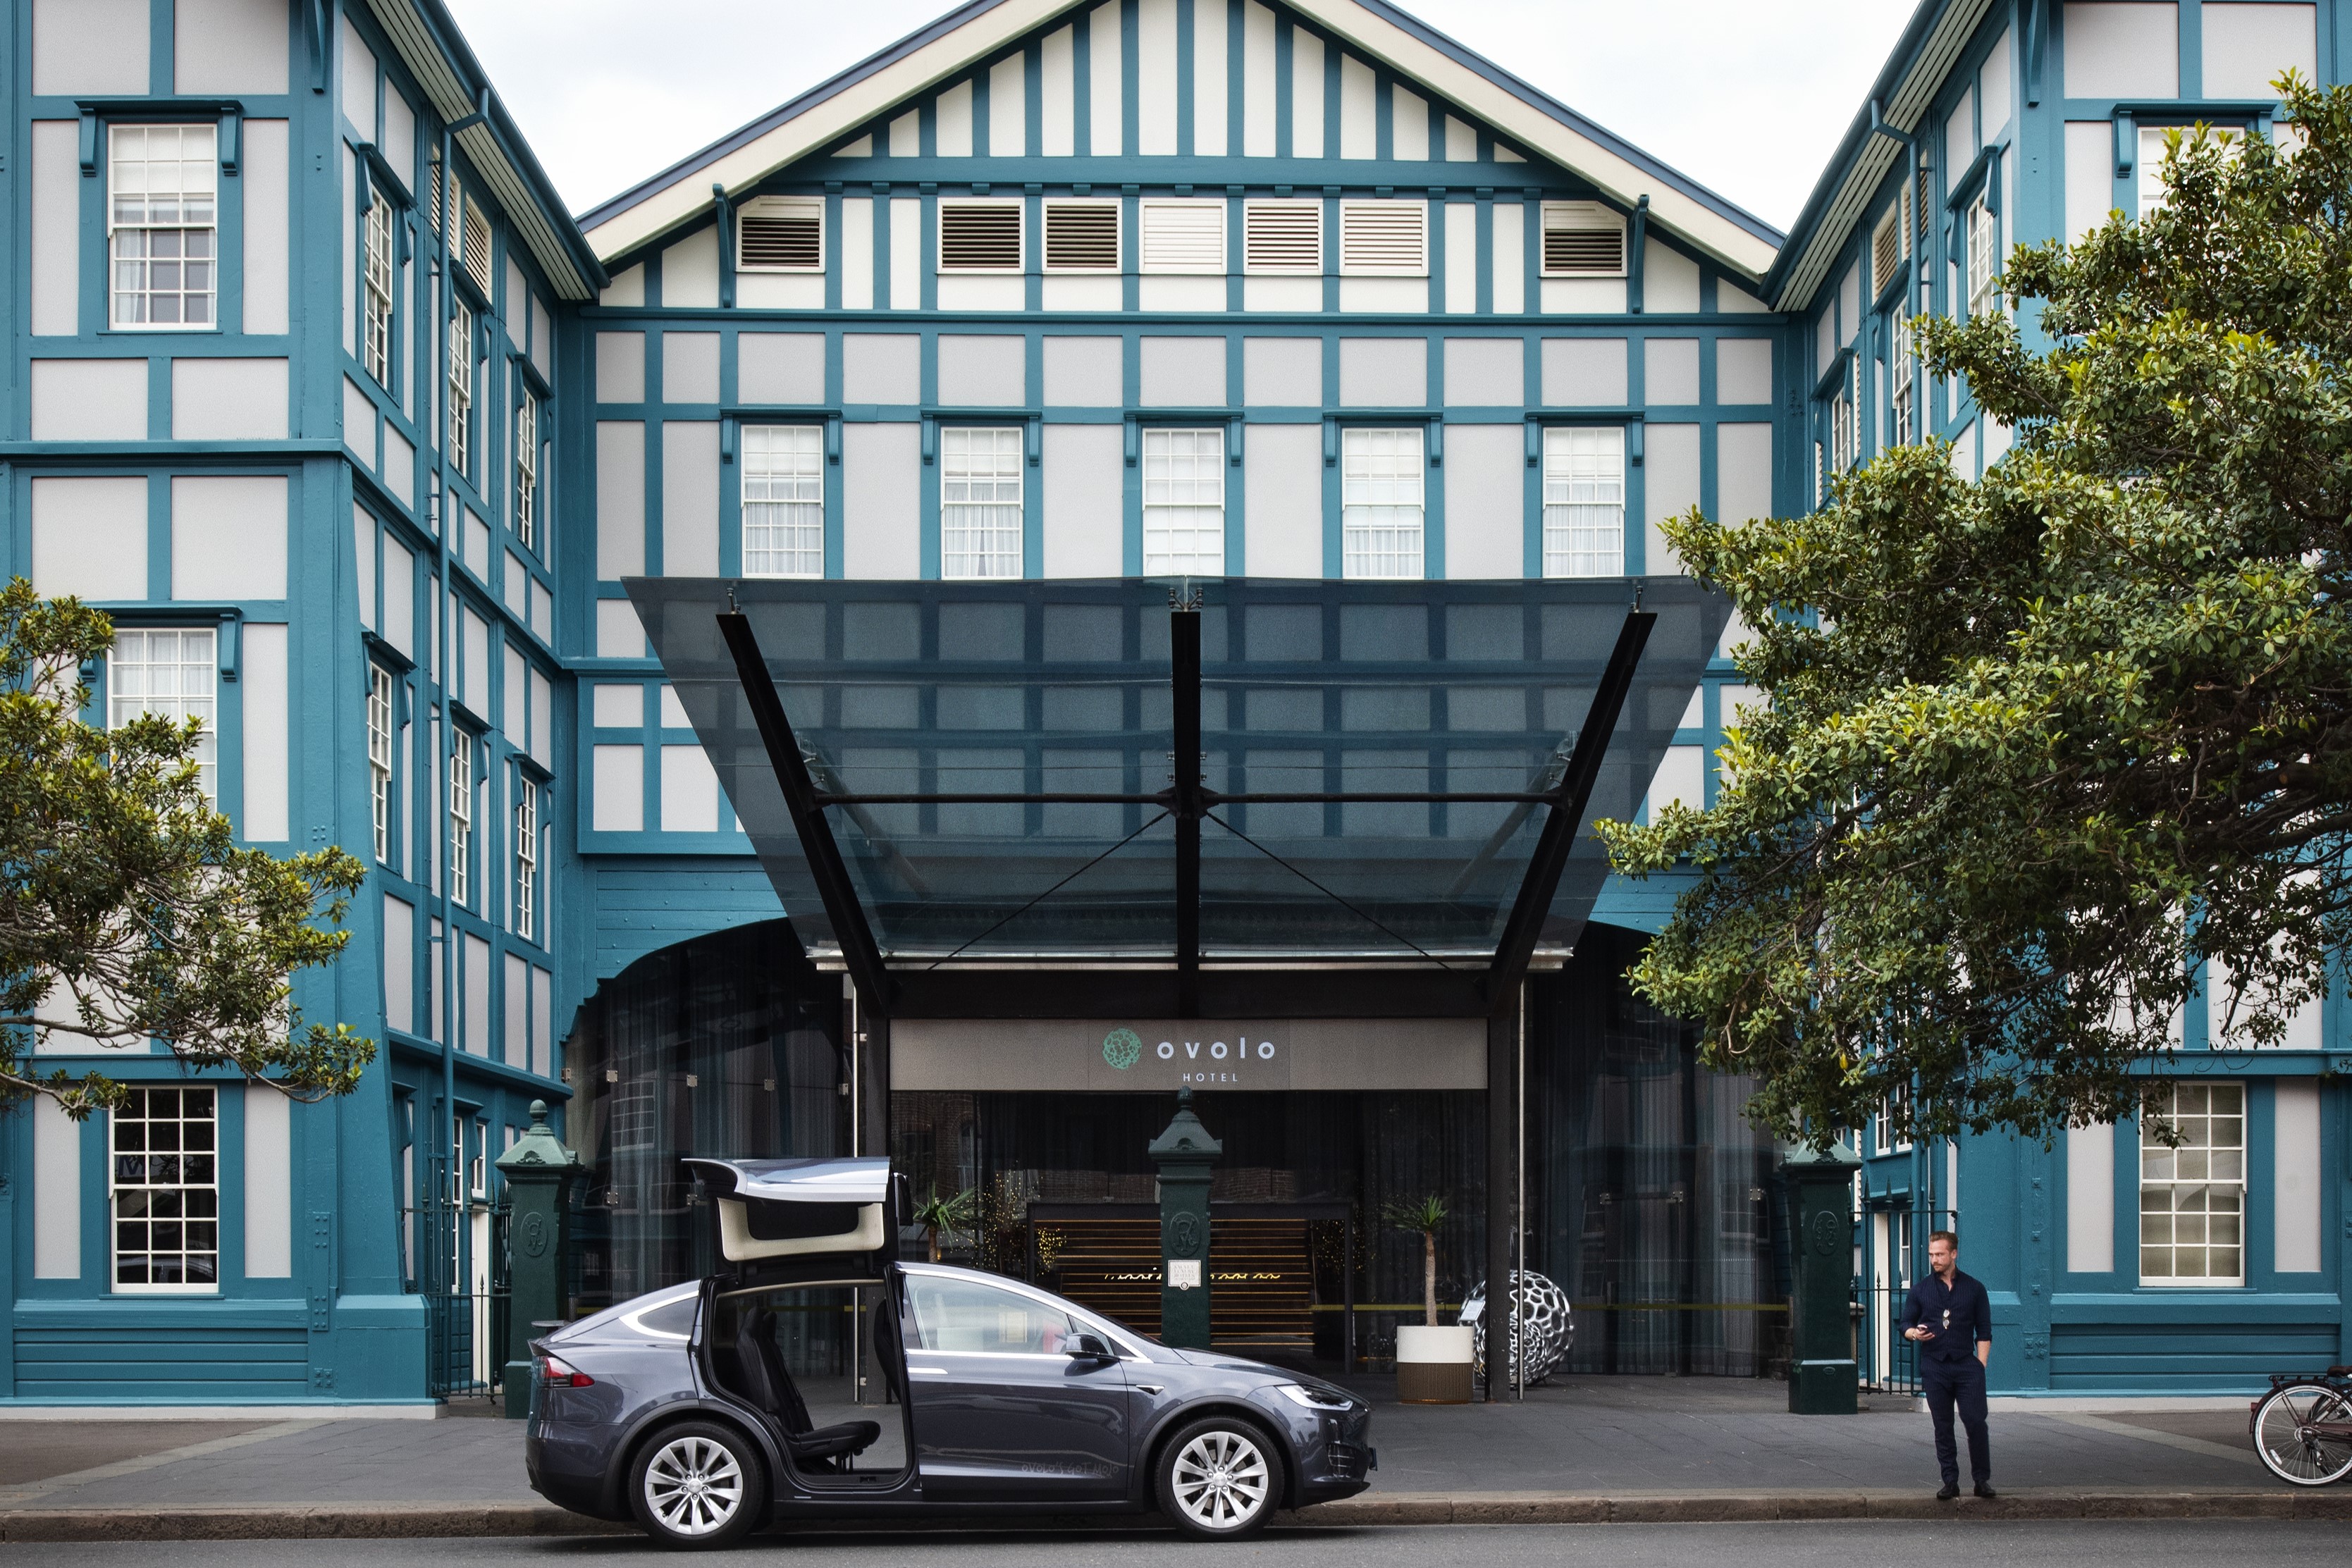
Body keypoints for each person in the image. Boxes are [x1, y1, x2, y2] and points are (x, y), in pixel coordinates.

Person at [1900, 1230, 1993, 1500]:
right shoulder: (1921, 1290)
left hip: (1967, 1366)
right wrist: (1914, 1334)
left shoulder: (1975, 1289)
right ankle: (1950, 1481)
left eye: (1940, 1254)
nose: (1935, 1260)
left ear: (1954, 1254)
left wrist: (1980, 1365)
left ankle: (1981, 1480)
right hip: (1935, 1366)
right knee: (1943, 1425)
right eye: (1931, 1254)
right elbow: (1905, 1324)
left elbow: (1984, 1330)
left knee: (1976, 1421)